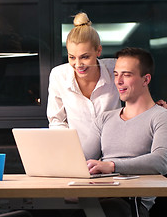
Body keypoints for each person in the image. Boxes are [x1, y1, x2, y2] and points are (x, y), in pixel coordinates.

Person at [85, 47, 167, 217]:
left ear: (146, 80)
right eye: (116, 74)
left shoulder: (164, 117)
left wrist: (112, 166)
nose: (118, 81)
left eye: (127, 75)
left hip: (131, 204)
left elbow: (161, 161)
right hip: (98, 195)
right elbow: (82, 158)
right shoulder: (105, 119)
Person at [47, 12, 121, 158]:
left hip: (115, 156)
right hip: (75, 156)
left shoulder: (115, 70)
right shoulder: (58, 76)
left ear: (98, 51)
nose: (78, 64)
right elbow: (57, 121)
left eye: (85, 57)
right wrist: (71, 154)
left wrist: (153, 108)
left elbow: (135, 102)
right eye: (72, 57)